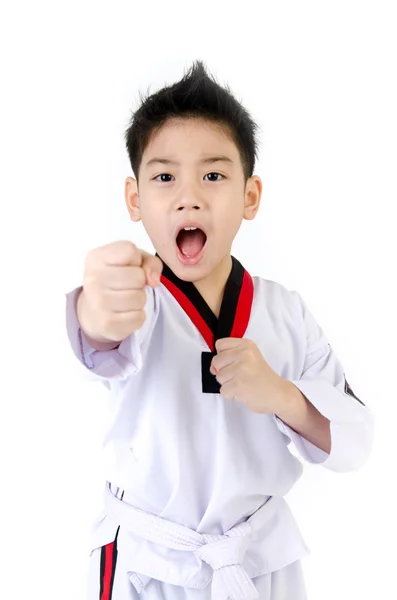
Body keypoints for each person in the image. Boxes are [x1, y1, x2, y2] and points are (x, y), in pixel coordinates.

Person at [66, 61, 374, 600]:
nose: (190, 197)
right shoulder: (137, 298)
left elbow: (353, 441)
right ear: (134, 199)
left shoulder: (286, 312)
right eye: (164, 177)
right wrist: (98, 305)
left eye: (213, 175)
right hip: (150, 566)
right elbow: (100, 341)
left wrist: (280, 395)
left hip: (260, 561)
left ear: (250, 196)